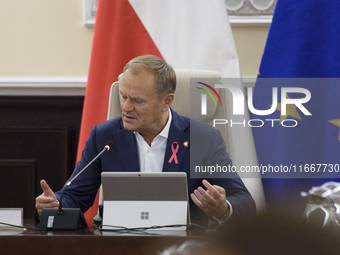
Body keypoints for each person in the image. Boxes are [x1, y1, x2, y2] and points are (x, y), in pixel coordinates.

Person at [35, 55, 256, 226]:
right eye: (123, 97)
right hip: (121, 245)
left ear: (166, 101)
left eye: (138, 101)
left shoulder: (202, 138)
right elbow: (75, 195)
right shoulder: (104, 137)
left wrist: (222, 208)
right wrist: (55, 204)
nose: (126, 107)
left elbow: (243, 201)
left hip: (182, 247)